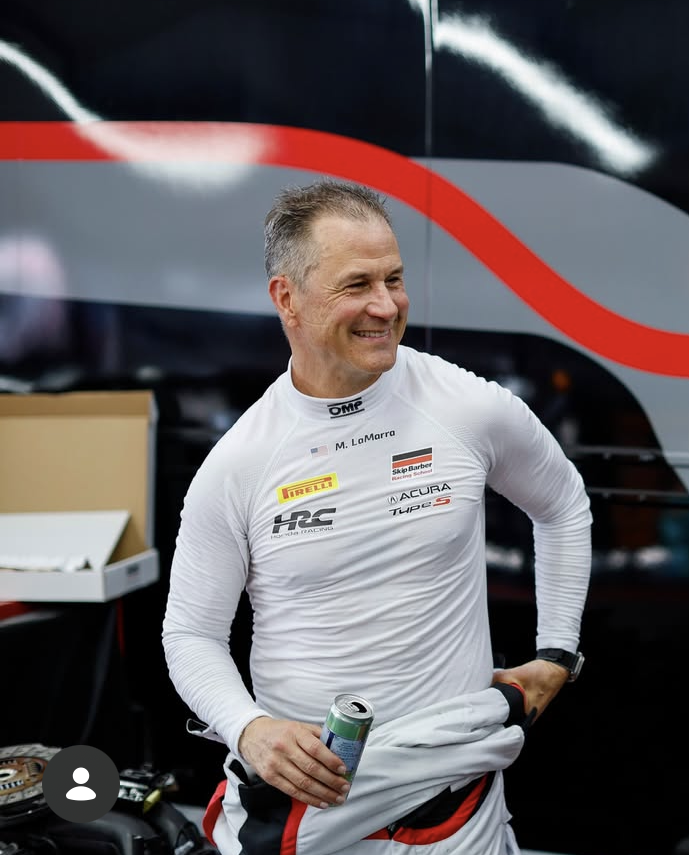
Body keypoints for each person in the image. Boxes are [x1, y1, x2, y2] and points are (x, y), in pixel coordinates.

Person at [162, 179, 592, 854]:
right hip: (309, 811)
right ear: (287, 299)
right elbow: (190, 633)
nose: (386, 305)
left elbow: (564, 502)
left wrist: (558, 651)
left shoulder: (464, 406)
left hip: (459, 811)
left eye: (394, 278)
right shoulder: (239, 461)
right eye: (358, 283)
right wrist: (248, 727)